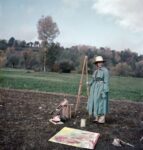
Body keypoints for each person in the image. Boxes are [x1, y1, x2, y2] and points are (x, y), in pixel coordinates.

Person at [87, 56, 109, 124]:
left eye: (101, 62)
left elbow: (106, 82)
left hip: (101, 88)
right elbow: (93, 80)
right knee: (95, 101)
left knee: (101, 102)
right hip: (94, 88)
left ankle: (102, 118)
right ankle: (96, 117)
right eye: (98, 62)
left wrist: (104, 91)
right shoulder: (96, 71)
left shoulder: (105, 71)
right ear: (96, 63)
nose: (99, 64)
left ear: (102, 63)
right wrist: (89, 83)